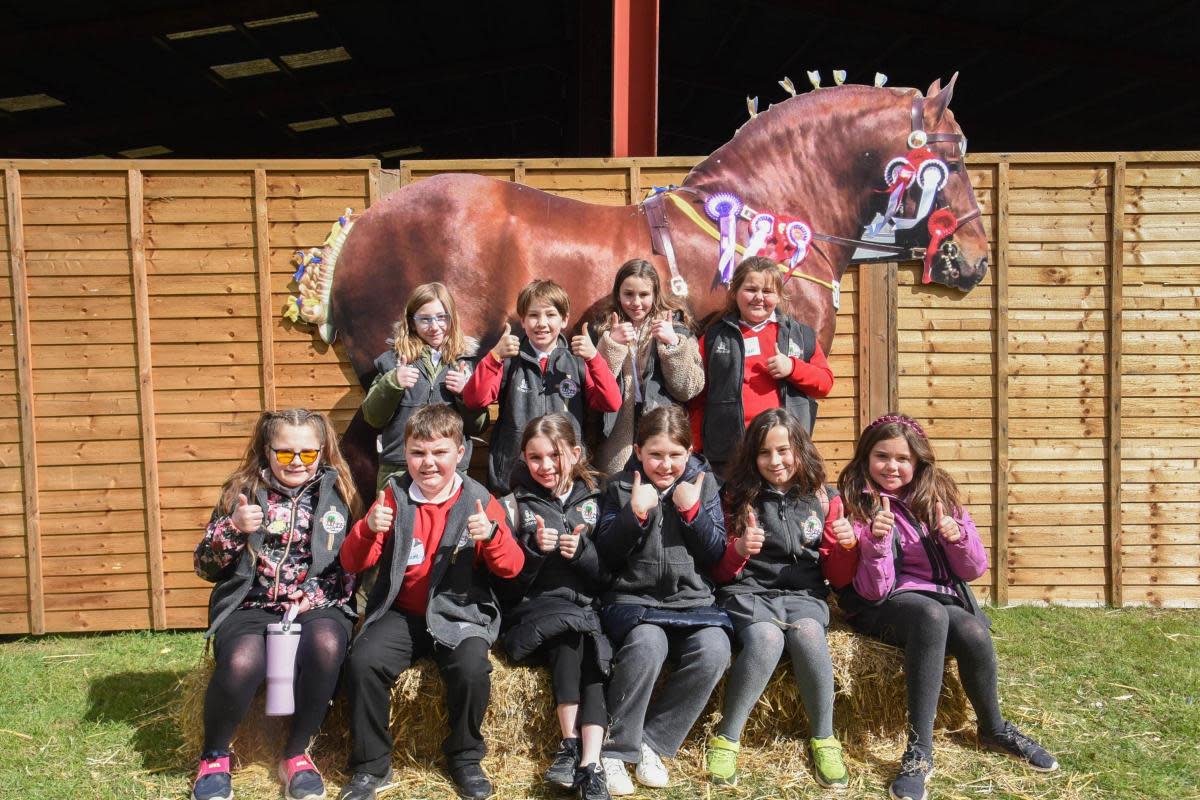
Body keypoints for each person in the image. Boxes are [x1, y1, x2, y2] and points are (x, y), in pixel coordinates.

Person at [839, 413, 1059, 800]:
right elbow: (874, 590)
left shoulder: (938, 495)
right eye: (881, 456)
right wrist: (874, 543)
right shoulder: (858, 502)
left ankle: (993, 728)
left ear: (919, 461)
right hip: (881, 602)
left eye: (903, 459)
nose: (892, 466)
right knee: (930, 614)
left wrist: (957, 538)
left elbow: (973, 569)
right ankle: (919, 751)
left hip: (940, 596)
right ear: (865, 458)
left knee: (973, 629)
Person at [337, 404, 525, 800]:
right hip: (401, 612)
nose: (428, 463)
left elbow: (512, 568)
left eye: (439, 452)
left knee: (472, 669)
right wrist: (367, 530)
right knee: (363, 662)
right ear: (405, 453)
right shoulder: (392, 497)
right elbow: (353, 562)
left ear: (460, 453)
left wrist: (492, 536)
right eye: (418, 452)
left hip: (459, 612)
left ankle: (465, 758)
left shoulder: (478, 499)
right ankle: (372, 766)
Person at [192, 409, 361, 800]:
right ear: (266, 450)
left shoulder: (340, 493)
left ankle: (296, 753)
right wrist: (232, 529)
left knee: (327, 646)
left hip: (317, 602)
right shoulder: (243, 491)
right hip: (251, 603)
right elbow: (204, 567)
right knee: (241, 661)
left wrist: (314, 595)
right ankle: (214, 757)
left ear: (323, 451)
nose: (297, 462)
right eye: (285, 453)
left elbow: (352, 567)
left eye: (307, 453)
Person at [706, 408, 857, 789]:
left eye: (784, 450)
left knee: (808, 634)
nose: (775, 461)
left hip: (804, 595)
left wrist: (845, 546)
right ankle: (728, 736)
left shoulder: (823, 498)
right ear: (752, 457)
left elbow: (837, 577)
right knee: (767, 638)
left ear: (800, 450)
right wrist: (738, 549)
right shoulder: (735, 497)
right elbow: (719, 572)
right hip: (749, 594)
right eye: (764, 453)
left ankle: (824, 737)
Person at [593, 405, 731, 796]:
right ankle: (617, 748)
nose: (665, 464)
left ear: (689, 453)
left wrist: (692, 512)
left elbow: (717, 553)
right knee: (648, 643)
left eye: (675, 455)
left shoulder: (705, 486)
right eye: (655, 454)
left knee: (715, 649)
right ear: (638, 451)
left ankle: (652, 742)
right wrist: (633, 514)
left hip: (692, 601)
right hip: (634, 600)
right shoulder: (620, 488)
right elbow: (605, 554)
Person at [496, 414, 612, 800]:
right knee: (570, 633)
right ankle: (570, 746)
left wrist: (583, 553)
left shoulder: (598, 499)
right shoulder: (514, 505)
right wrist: (532, 553)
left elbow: (609, 576)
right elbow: (506, 587)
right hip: (536, 611)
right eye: (535, 458)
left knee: (592, 648)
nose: (545, 466)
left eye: (554, 456)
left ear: (575, 453)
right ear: (524, 460)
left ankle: (587, 764)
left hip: (586, 607)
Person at [461, 278, 621, 493]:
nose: (542, 323)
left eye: (550, 315)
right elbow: (474, 399)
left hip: (565, 476)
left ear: (564, 320)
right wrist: (494, 357)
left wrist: (594, 358)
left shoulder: (578, 361)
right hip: (513, 477)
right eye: (533, 315)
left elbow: (611, 402)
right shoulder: (509, 360)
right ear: (523, 321)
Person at [691, 256, 834, 477]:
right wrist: (698, 447)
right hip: (730, 456)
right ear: (734, 292)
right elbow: (698, 398)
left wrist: (793, 368)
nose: (759, 297)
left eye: (767, 291)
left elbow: (824, 384)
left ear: (779, 295)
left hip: (784, 457)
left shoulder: (799, 335)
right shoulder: (713, 337)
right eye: (751, 289)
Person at [360, 281, 487, 490]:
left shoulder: (466, 363)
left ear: (452, 319)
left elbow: (478, 425)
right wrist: (392, 383)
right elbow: (373, 417)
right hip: (398, 469)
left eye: (441, 317)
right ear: (412, 322)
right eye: (425, 319)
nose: (434, 326)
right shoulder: (392, 361)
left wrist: (466, 395)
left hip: (450, 470)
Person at [593, 258, 705, 475]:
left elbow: (688, 388)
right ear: (618, 294)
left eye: (644, 295)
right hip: (618, 433)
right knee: (621, 492)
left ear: (655, 294)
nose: (636, 302)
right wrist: (611, 345)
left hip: (661, 427)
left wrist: (673, 344)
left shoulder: (676, 327)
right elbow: (594, 387)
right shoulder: (604, 328)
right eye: (628, 294)